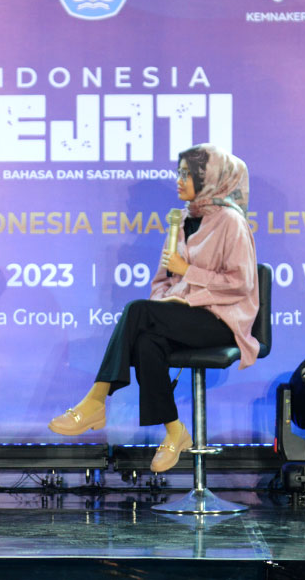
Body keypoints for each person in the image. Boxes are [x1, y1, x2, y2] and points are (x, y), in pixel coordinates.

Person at [48, 143, 259, 473]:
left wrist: (188, 272)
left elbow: (241, 283)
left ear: (210, 178)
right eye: (179, 172)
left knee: (137, 311)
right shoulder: (182, 221)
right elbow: (161, 280)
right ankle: (175, 432)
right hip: (184, 314)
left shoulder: (232, 222)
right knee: (146, 339)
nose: (179, 180)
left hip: (221, 320)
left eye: (187, 174)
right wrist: (168, 299)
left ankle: (95, 400)